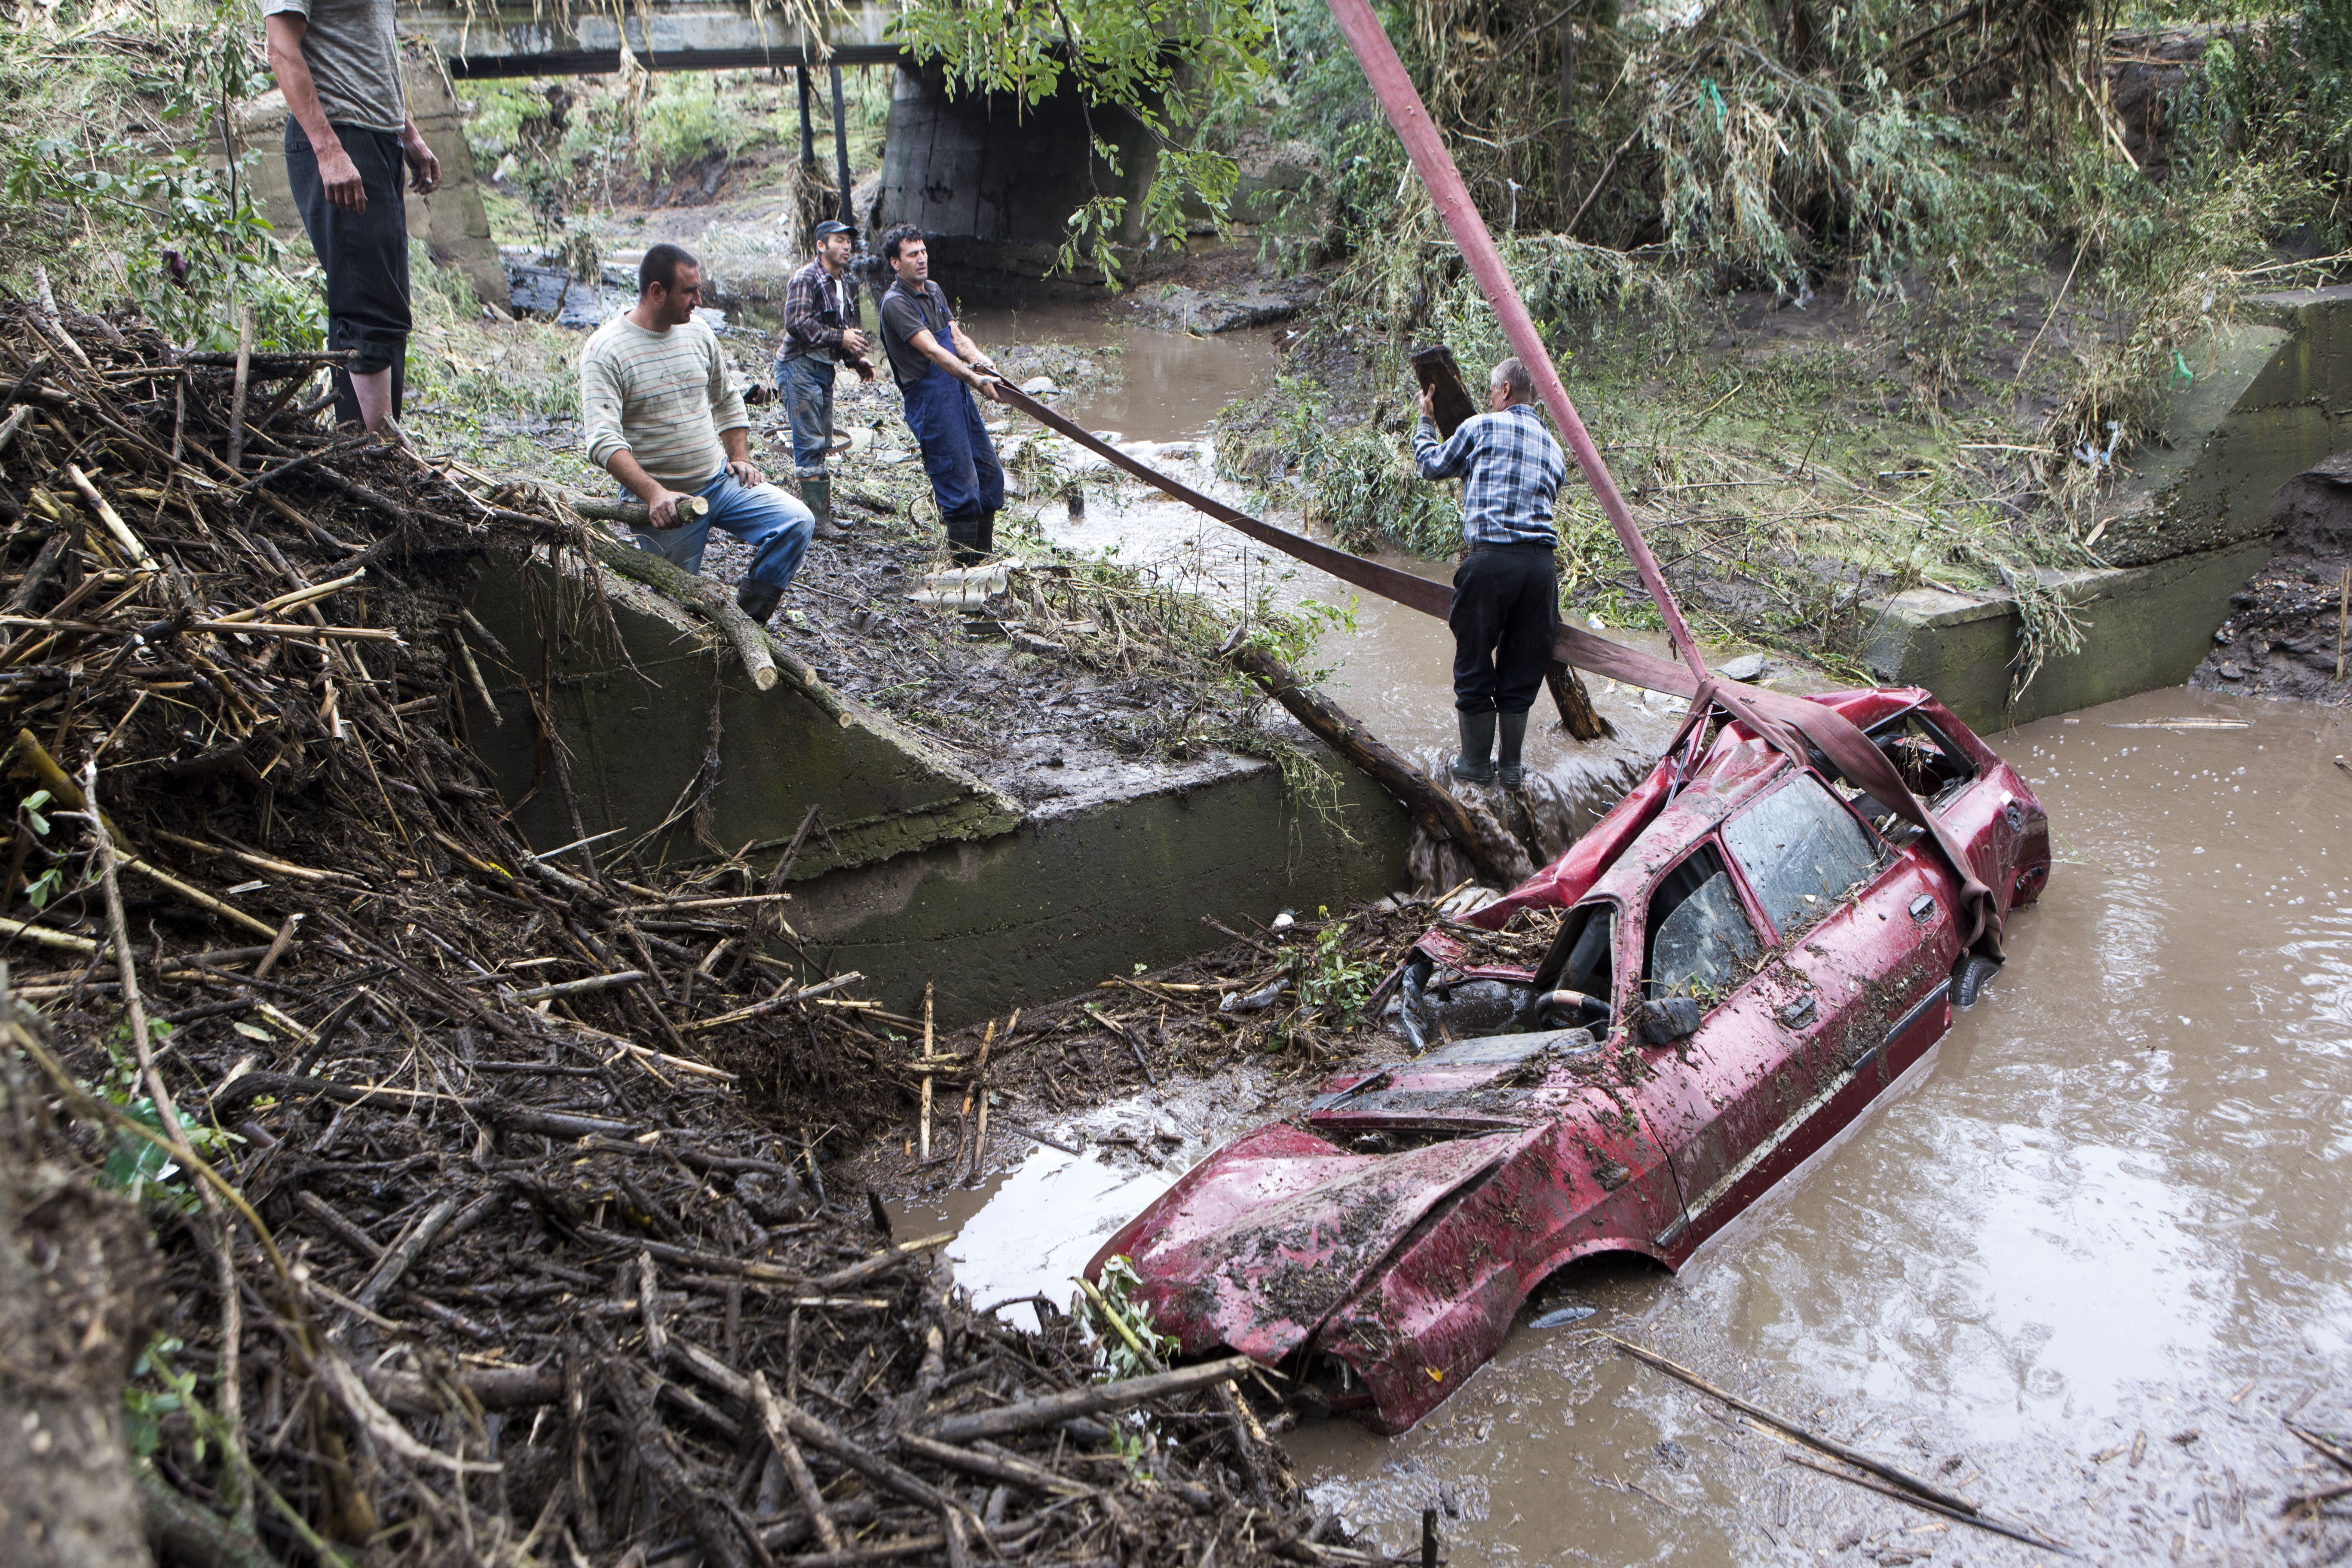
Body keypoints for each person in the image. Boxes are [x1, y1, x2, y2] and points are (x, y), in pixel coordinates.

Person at [581, 244, 815, 624]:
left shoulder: (699, 332)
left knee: (797, 522)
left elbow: (726, 398)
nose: (699, 301)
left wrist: (739, 456)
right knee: (675, 606)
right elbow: (603, 442)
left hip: (718, 481)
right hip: (666, 504)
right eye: (689, 291)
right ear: (657, 292)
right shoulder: (606, 350)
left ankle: (746, 624)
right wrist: (654, 494)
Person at [263, 0, 440, 435]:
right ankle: (380, 452)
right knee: (368, 309)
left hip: (378, 137)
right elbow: (281, 48)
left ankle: (362, 446)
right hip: (339, 135)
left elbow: (369, 50)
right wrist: (328, 150)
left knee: (387, 308)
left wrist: (407, 132)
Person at [1412, 356, 1568, 790]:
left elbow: (1431, 466)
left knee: (1475, 659)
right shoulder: (1555, 449)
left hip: (1491, 562)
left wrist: (1426, 421)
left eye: (1492, 391)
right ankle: (1512, 768)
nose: (1490, 398)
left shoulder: (1481, 427)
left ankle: (1476, 764)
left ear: (1505, 391)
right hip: (1540, 570)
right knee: (1523, 664)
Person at [875, 223, 1008, 566]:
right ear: (895, 263)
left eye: (923, 252)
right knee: (959, 484)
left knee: (989, 475)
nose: (921, 259)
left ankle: (983, 560)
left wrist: (984, 363)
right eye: (912, 255)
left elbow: (958, 340)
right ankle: (964, 572)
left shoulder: (933, 290)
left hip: (956, 393)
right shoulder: (895, 304)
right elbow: (933, 351)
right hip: (930, 401)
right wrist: (975, 380)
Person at [776, 219, 876, 539]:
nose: (847, 246)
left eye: (848, 241)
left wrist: (855, 360)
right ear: (821, 246)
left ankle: (821, 515)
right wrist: (841, 337)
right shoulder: (806, 277)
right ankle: (817, 522)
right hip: (798, 366)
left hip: (822, 369)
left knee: (822, 441)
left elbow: (841, 332)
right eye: (839, 240)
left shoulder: (842, 283)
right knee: (809, 443)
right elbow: (797, 324)